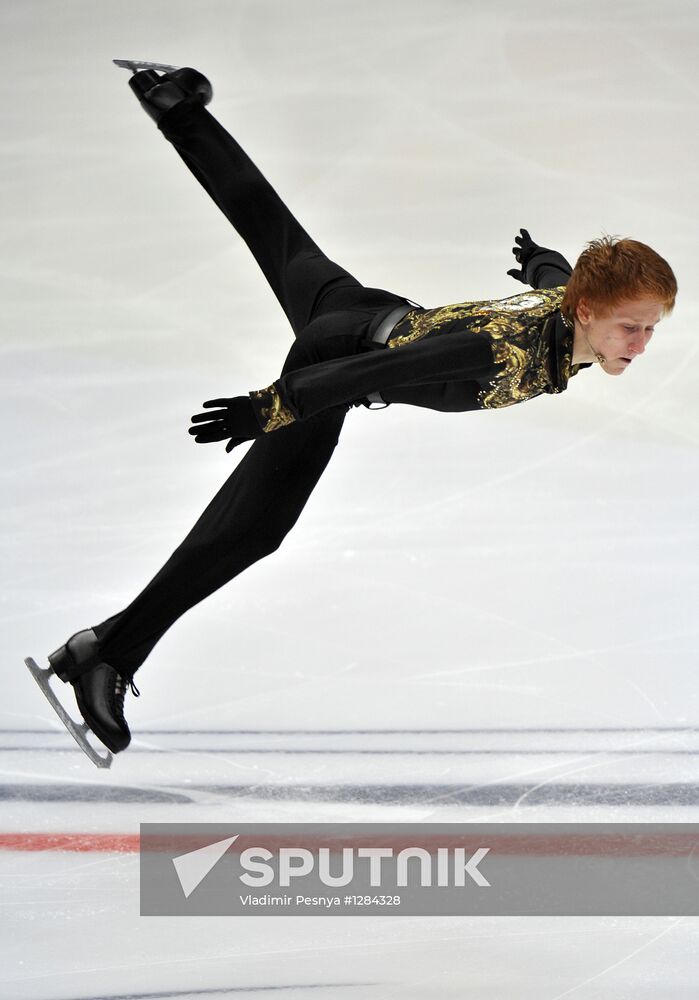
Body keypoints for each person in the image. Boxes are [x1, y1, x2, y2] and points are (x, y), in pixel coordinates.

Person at [37, 64, 678, 758]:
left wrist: (542, 266)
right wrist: (274, 407)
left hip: (365, 307)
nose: (639, 346)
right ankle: (109, 653)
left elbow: (556, 284)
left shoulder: (568, 308)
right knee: (252, 528)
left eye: (649, 329)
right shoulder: (501, 352)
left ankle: (173, 105)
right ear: (587, 313)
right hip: (341, 354)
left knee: (275, 231)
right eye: (629, 330)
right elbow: (381, 372)